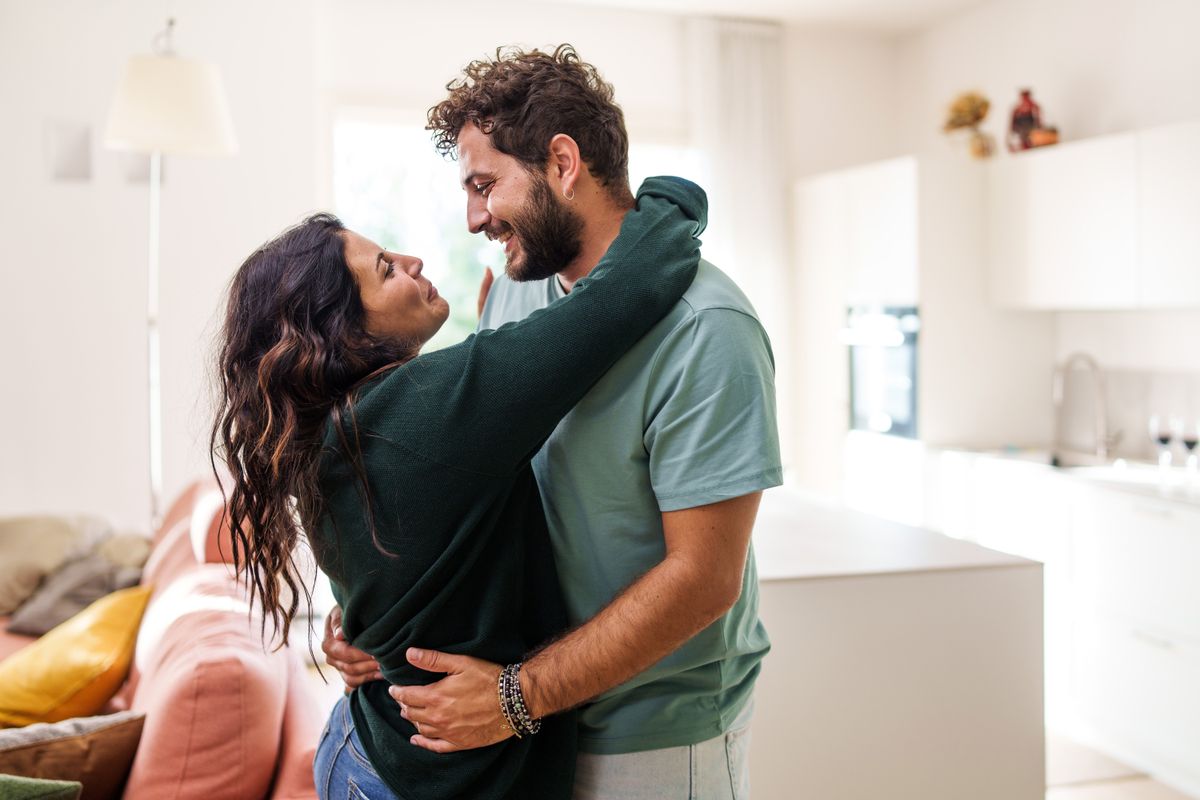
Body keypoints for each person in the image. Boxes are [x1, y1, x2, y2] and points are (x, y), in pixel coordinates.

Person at [324, 45, 781, 799]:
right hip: (526, 727)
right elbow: (463, 478)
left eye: (485, 185)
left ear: (562, 163)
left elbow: (703, 580)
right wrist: (372, 620)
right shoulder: (515, 290)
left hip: (648, 736)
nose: (473, 217)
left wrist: (518, 696)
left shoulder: (709, 328)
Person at [211, 177, 706, 800]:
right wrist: (667, 194)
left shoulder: (324, 429)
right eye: (386, 269)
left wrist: (359, 630)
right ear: (347, 333)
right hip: (412, 781)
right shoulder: (426, 413)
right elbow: (631, 286)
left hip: (364, 752)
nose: (413, 261)